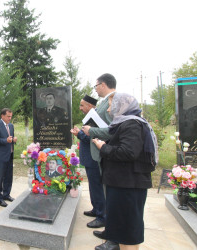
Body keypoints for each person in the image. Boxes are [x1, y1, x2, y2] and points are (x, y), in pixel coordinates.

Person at [92, 92, 157, 250]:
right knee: (122, 231)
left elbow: (128, 153)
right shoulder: (126, 123)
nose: (108, 110)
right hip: (123, 184)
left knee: (127, 234)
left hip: (128, 187)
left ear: (122, 106)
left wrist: (103, 147)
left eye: (111, 106)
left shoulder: (132, 124)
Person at [82, 73, 116, 234]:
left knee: (106, 190)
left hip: (106, 152)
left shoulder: (113, 101)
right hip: (100, 152)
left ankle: (105, 219)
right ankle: (103, 216)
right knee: (102, 189)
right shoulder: (104, 102)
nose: (95, 90)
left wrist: (91, 130)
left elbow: (113, 130)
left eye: (96, 86)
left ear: (103, 84)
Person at [70, 95, 106, 230]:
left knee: (97, 187)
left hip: (94, 158)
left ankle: (102, 216)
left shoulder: (95, 118)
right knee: (93, 186)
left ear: (90, 106)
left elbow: (92, 138)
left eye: (82, 105)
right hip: (89, 158)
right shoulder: (90, 117)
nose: (80, 108)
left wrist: (79, 134)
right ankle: (96, 209)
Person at [0, 108, 17, 207]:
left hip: (10, 155)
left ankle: (6, 194)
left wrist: (14, 140)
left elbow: (11, 138)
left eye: (11, 116)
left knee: (9, 176)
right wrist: (6, 140)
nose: (10, 118)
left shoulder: (11, 125)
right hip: (0, 156)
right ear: (2, 115)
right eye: (8, 116)